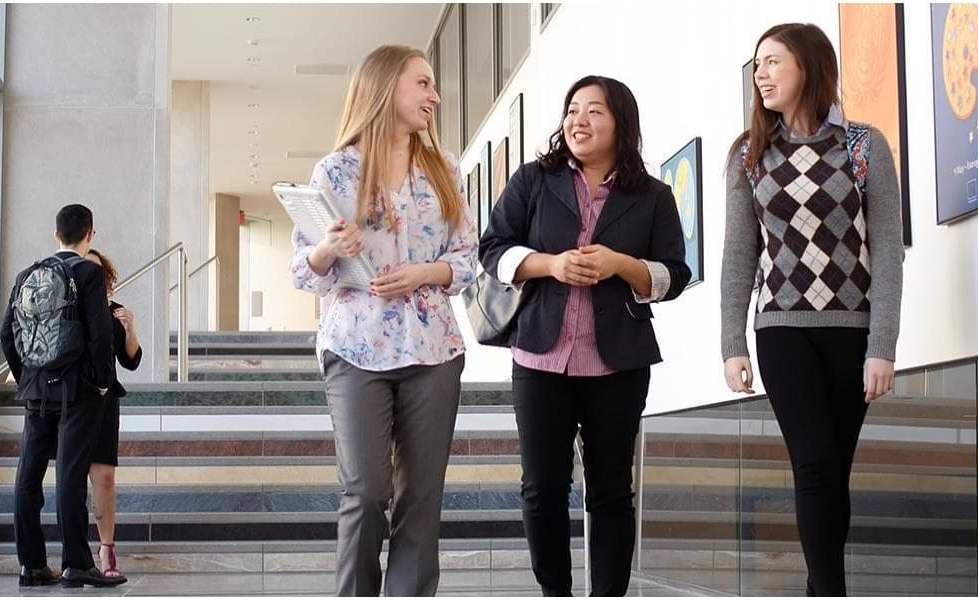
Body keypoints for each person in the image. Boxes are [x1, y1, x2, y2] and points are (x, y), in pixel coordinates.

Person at [480, 74, 691, 597]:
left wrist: (622, 264)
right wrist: (549, 264)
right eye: (573, 109)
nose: (579, 120)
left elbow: (675, 275)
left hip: (618, 361)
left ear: (621, 122)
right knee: (542, 489)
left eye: (594, 111)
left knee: (612, 491)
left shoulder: (653, 196)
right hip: (540, 357)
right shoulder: (534, 180)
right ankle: (556, 592)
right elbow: (492, 249)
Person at [717, 23, 905, 596]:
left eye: (773, 61)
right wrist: (732, 343)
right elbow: (739, 255)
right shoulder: (749, 155)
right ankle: (830, 591)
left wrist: (883, 347)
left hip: (851, 333)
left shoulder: (862, 145)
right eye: (757, 65)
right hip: (781, 330)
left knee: (833, 473)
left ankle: (818, 584)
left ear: (809, 66)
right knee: (816, 465)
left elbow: (889, 252)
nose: (761, 74)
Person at [289, 44, 476, 597]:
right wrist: (326, 249)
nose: (434, 97)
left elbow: (468, 258)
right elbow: (305, 269)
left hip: (434, 351)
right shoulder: (336, 171)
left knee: (421, 499)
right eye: (423, 84)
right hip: (355, 349)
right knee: (367, 490)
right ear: (385, 87)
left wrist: (425, 270)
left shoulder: (445, 171)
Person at [0, 204, 127, 588]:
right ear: (90, 233)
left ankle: (31, 564)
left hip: (36, 390)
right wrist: (102, 382)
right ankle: (75, 563)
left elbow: (8, 334)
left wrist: (27, 376)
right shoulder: (88, 272)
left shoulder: (28, 275)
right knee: (70, 474)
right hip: (77, 391)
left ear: (57, 235)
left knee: (28, 477)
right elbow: (100, 334)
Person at [82, 249, 142, 580]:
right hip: (72, 401)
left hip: (105, 400)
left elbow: (131, 360)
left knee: (104, 477)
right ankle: (76, 553)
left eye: (95, 271)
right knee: (74, 476)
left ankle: (106, 548)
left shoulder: (113, 312)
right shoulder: (66, 309)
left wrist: (130, 330)